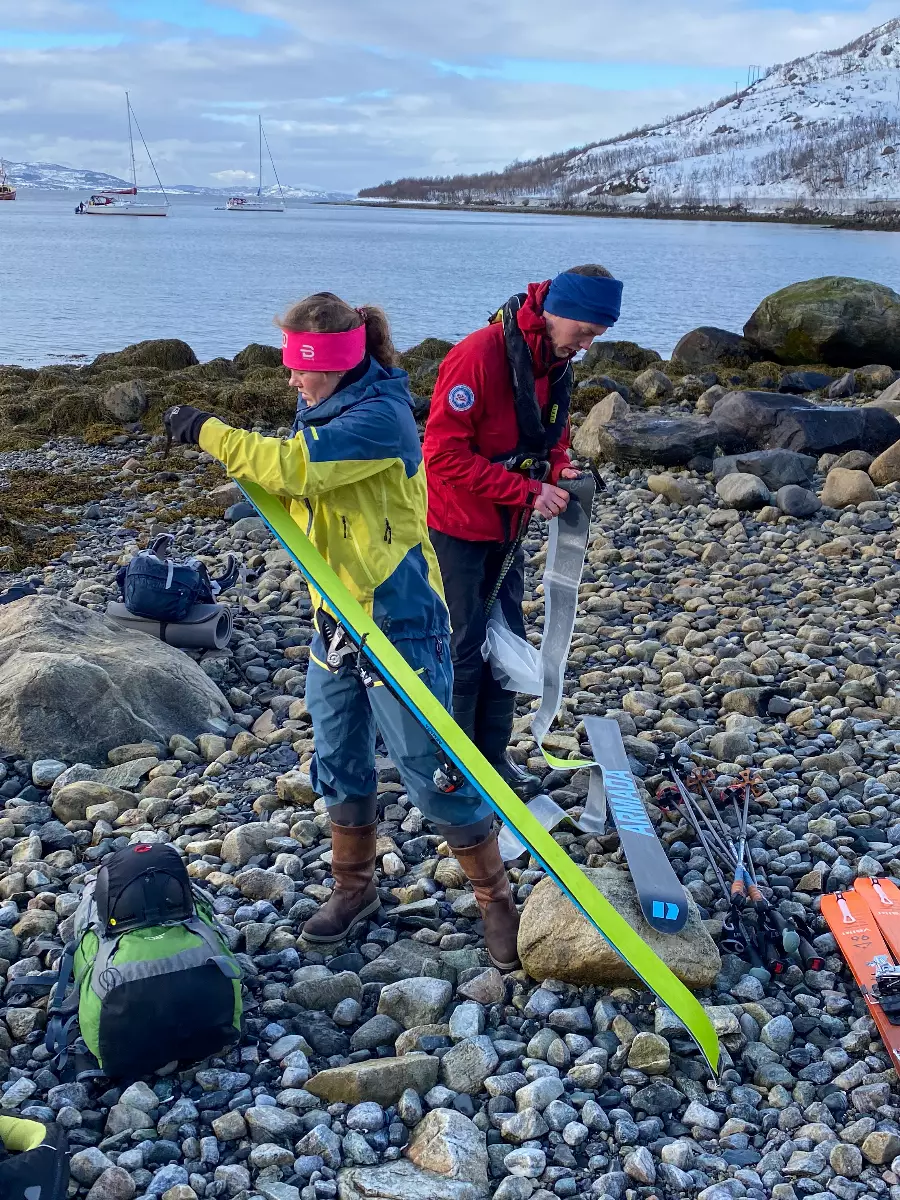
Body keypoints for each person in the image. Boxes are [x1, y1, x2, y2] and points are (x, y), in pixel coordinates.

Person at [163, 293, 521, 969]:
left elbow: (295, 469)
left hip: (400, 622)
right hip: (335, 618)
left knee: (432, 769)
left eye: (299, 366)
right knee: (337, 756)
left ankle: (494, 899)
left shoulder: (380, 419)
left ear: (333, 362)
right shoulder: (324, 407)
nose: (290, 380)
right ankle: (354, 888)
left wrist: (209, 431)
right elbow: (304, 485)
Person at [423, 265, 623, 795]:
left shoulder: (554, 363)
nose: (585, 346)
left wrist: (560, 471)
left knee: (507, 640)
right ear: (556, 311)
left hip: (507, 527)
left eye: (596, 336)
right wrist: (528, 492)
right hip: (457, 526)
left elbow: (550, 439)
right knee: (464, 644)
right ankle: (454, 763)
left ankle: (493, 759)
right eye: (583, 331)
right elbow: (441, 455)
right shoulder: (477, 355)